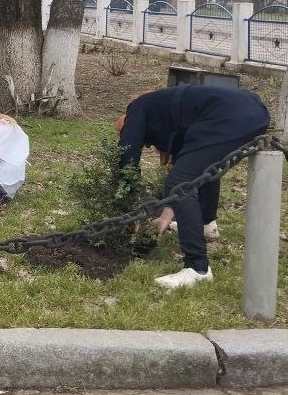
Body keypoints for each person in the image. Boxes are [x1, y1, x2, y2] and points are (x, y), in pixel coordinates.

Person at [116, 84, 270, 290]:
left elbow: (128, 156)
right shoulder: (171, 110)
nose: (149, 145)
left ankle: (197, 268)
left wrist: (130, 208)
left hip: (229, 114)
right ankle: (207, 225)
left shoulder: (136, 109)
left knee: (179, 182)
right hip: (254, 111)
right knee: (203, 168)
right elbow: (193, 169)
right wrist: (166, 216)